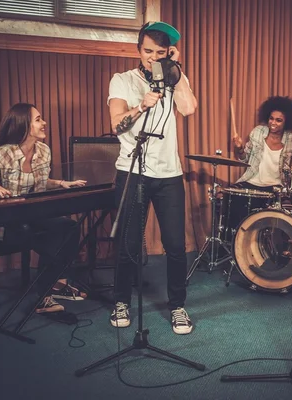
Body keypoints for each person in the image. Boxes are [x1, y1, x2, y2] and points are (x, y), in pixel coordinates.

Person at [107, 22, 197, 334]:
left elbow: (189, 108)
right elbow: (116, 124)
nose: (152, 58)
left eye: (160, 53)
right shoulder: (122, 80)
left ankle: (178, 306)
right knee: (128, 243)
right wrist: (140, 106)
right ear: (138, 50)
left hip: (169, 174)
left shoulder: (173, 78)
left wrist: (177, 68)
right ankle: (120, 300)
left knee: (175, 245)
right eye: (148, 51)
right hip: (133, 171)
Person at [0, 103, 88, 314]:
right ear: (23, 125)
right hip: (3, 220)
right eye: (38, 119)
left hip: (31, 214)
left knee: (70, 227)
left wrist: (62, 184)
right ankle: (47, 292)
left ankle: (52, 285)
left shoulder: (43, 151)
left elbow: (40, 182)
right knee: (45, 236)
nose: (44, 123)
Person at [232, 96, 292, 193]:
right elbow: (244, 159)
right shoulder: (258, 132)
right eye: (271, 118)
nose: (273, 122)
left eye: (278, 120)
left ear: (287, 122)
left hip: (276, 187)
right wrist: (239, 148)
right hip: (252, 181)